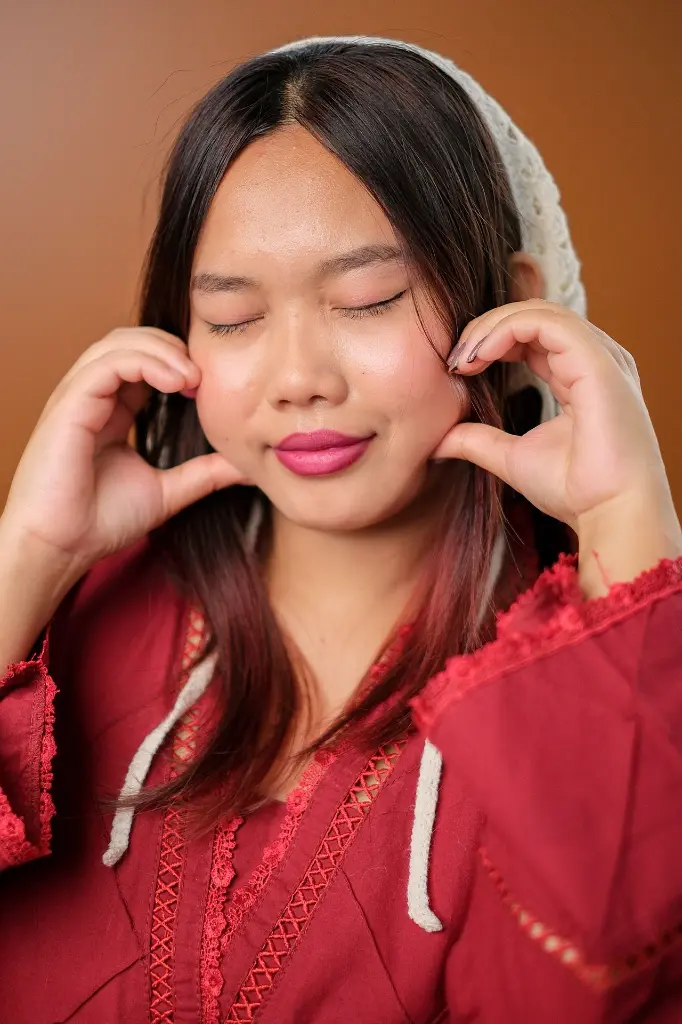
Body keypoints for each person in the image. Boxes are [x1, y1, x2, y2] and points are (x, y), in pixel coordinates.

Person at [0, 34, 680, 1024]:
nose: (299, 376)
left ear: (517, 311)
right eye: (231, 318)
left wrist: (631, 541)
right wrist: (24, 560)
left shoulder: (583, 680)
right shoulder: (74, 628)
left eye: (366, 299)